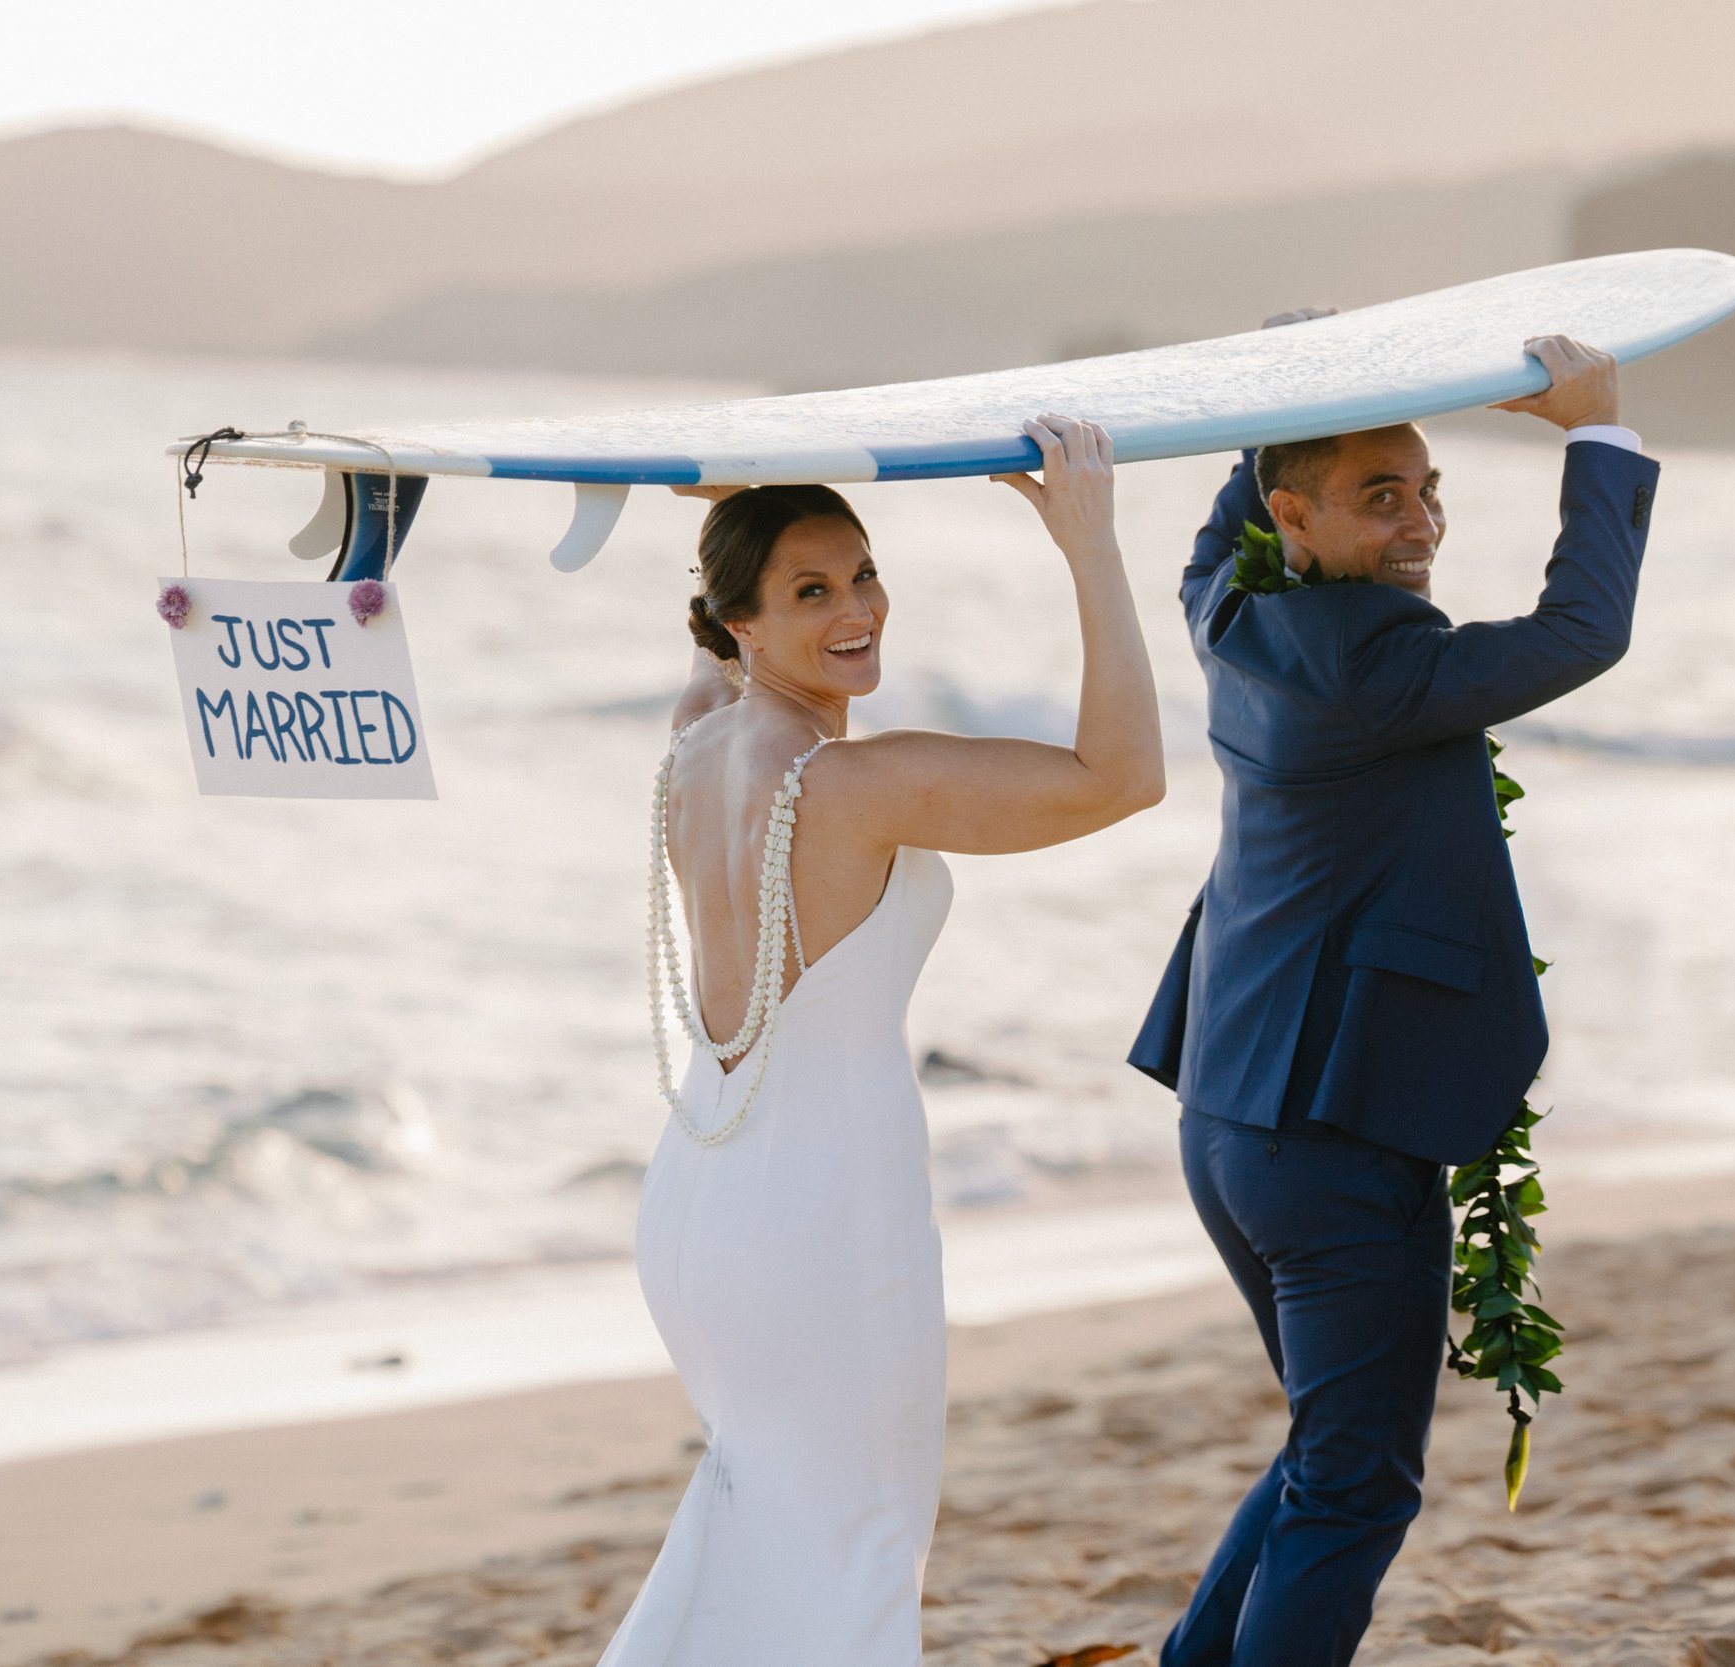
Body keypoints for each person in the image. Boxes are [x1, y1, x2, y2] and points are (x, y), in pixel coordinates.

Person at [599, 414, 1163, 1667]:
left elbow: (711, 636)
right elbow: (1124, 773)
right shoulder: (861, 785)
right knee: (856, 1543)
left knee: (764, 1523)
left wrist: (743, 504)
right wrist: (1088, 545)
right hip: (820, 1219)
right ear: (741, 619)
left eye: (861, 574)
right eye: (811, 590)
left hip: (699, 1205)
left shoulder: (695, 739)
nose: (856, 608)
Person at [1128, 334, 1655, 1667]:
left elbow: (1225, 528)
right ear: (1295, 515)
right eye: (1381, 495)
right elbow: (1585, 628)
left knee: (1326, 1449)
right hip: (1337, 1140)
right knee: (1360, 1482)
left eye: (1428, 491)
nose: (1418, 521)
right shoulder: (1382, 668)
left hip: (1225, 1118)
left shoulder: (1230, 617)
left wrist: (1304, 380)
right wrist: (1596, 431)